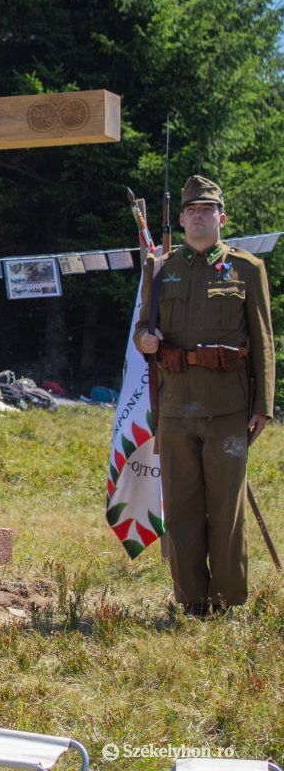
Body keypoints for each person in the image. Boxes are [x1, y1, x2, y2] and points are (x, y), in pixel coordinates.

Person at [136, 175, 274, 615]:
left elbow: (263, 341)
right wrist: (145, 340)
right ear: (181, 219)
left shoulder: (247, 269)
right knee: (181, 509)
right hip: (175, 407)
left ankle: (226, 599)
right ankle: (191, 600)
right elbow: (142, 327)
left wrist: (263, 407)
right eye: (191, 211)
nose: (198, 217)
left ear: (221, 218)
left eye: (206, 211)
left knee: (226, 509)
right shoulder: (160, 269)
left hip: (228, 408)